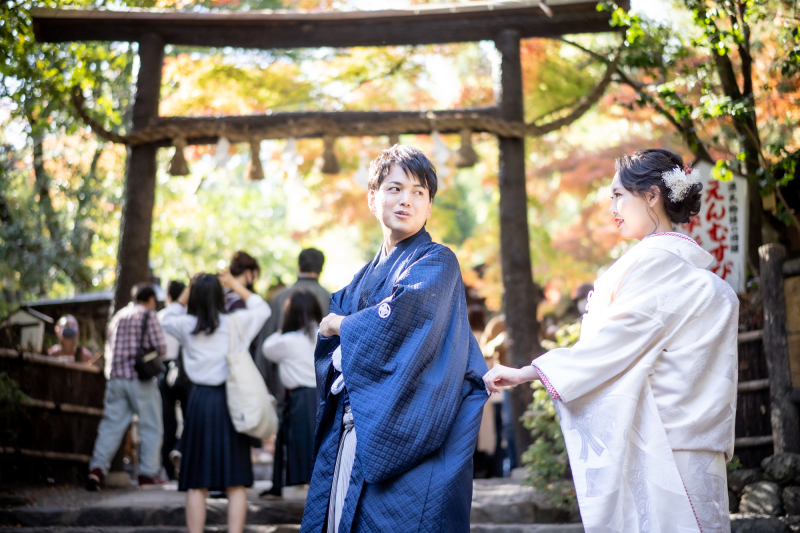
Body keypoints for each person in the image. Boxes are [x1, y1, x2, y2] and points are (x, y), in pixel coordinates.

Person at [483, 149, 739, 533]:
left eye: (618, 195)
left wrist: (527, 373)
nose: (612, 207)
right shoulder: (690, 271)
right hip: (695, 445)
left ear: (652, 195)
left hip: (666, 451)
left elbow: (613, 345)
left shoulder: (656, 264)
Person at [300, 145, 489, 533]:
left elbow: (400, 315)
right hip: (357, 428)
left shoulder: (436, 261)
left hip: (414, 430)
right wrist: (342, 325)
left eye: (419, 192)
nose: (407, 200)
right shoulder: (360, 279)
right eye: (395, 189)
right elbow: (350, 322)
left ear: (430, 205)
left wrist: (339, 326)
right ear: (373, 199)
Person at [160, 271, 271, 533]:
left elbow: (164, 317)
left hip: (199, 402)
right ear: (221, 296)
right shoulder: (236, 322)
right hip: (231, 401)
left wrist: (189, 289)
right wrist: (233, 283)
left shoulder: (186, 325)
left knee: (197, 481)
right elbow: (262, 308)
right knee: (235, 481)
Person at [87, 283, 167, 491]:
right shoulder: (148, 315)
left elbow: (109, 347)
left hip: (115, 378)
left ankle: (97, 469)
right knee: (150, 427)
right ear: (150, 299)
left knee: (111, 426)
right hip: (140, 378)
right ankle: (147, 475)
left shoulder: (118, 317)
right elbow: (162, 347)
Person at [261, 291, 321, 497]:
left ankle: (285, 485)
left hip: (300, 399)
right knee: (317, 445)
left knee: (299, 444)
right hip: (322, 396)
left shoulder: (287, 340)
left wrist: (281, 329)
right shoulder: (324, 333)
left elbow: (266, 349)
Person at [254, 248, 330, 400]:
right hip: (324, 390)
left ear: (299, 266)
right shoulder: (331, 299)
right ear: (321, 268)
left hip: (285, 391)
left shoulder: (279, 298)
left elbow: (264, 346)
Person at [157, 279, 192, 481]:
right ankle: (182, 456)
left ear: (168, 297)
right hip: (186, 373)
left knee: (167, 424)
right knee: (189, 419)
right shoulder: (189, 318)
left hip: (163, 372)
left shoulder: (162, 317)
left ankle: (169, 472)